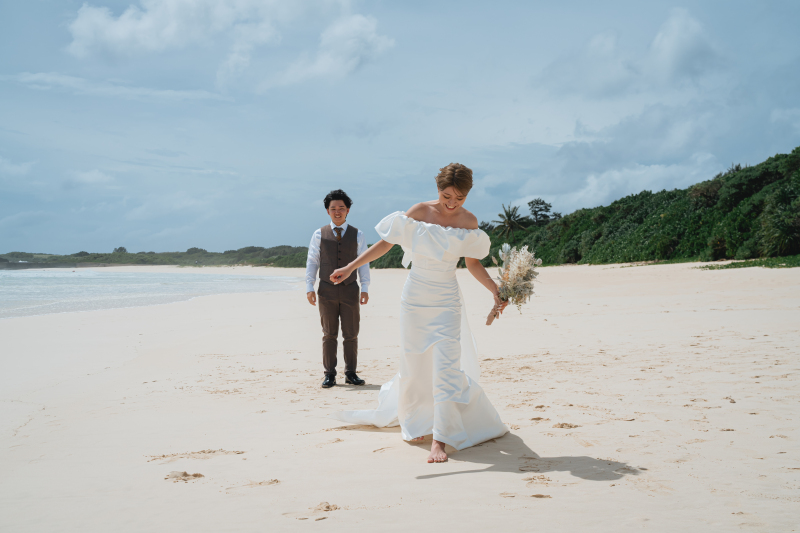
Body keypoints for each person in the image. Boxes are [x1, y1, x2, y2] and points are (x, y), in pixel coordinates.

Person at [329, 164, 509, 463]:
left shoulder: (469, 221)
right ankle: (415, 422)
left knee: (447, 367)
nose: (452, 202)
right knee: (415, 362)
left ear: (468, 194)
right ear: (437, 188)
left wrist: (494, 289)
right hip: (415, 299)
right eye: (446, 195)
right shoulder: (419, 212)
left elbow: (473, 263)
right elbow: (386, 244)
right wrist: (350, 267)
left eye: (460, 197)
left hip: (447, 300)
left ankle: (442, 437)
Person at [305, 189, 370, 388]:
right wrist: (310, 286)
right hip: (326, 290)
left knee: (351, 334)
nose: (337, 211)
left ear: (348, 210)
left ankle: (350, 373)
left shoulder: (358, 234)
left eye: (341, 208)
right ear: (328, 211)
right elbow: (312, 261)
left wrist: (365, 286)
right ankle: (329, 374)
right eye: (333, 208)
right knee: (329, 333)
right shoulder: (319, 234)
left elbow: (363, 262)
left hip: (351, 289)